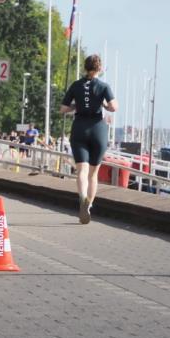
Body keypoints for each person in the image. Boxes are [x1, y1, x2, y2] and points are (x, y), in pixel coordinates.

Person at [59, 54, 118, 224]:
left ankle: (82, 198)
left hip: (79, 128)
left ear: (85, 67)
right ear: (100, 68)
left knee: (82, 171)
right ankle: (89, 205)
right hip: (97, 129)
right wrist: (105, 105)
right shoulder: (103, 86)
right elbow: (113, 106)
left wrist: (76, 105)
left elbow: (63, 109)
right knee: (93, 174)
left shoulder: (76, 85)